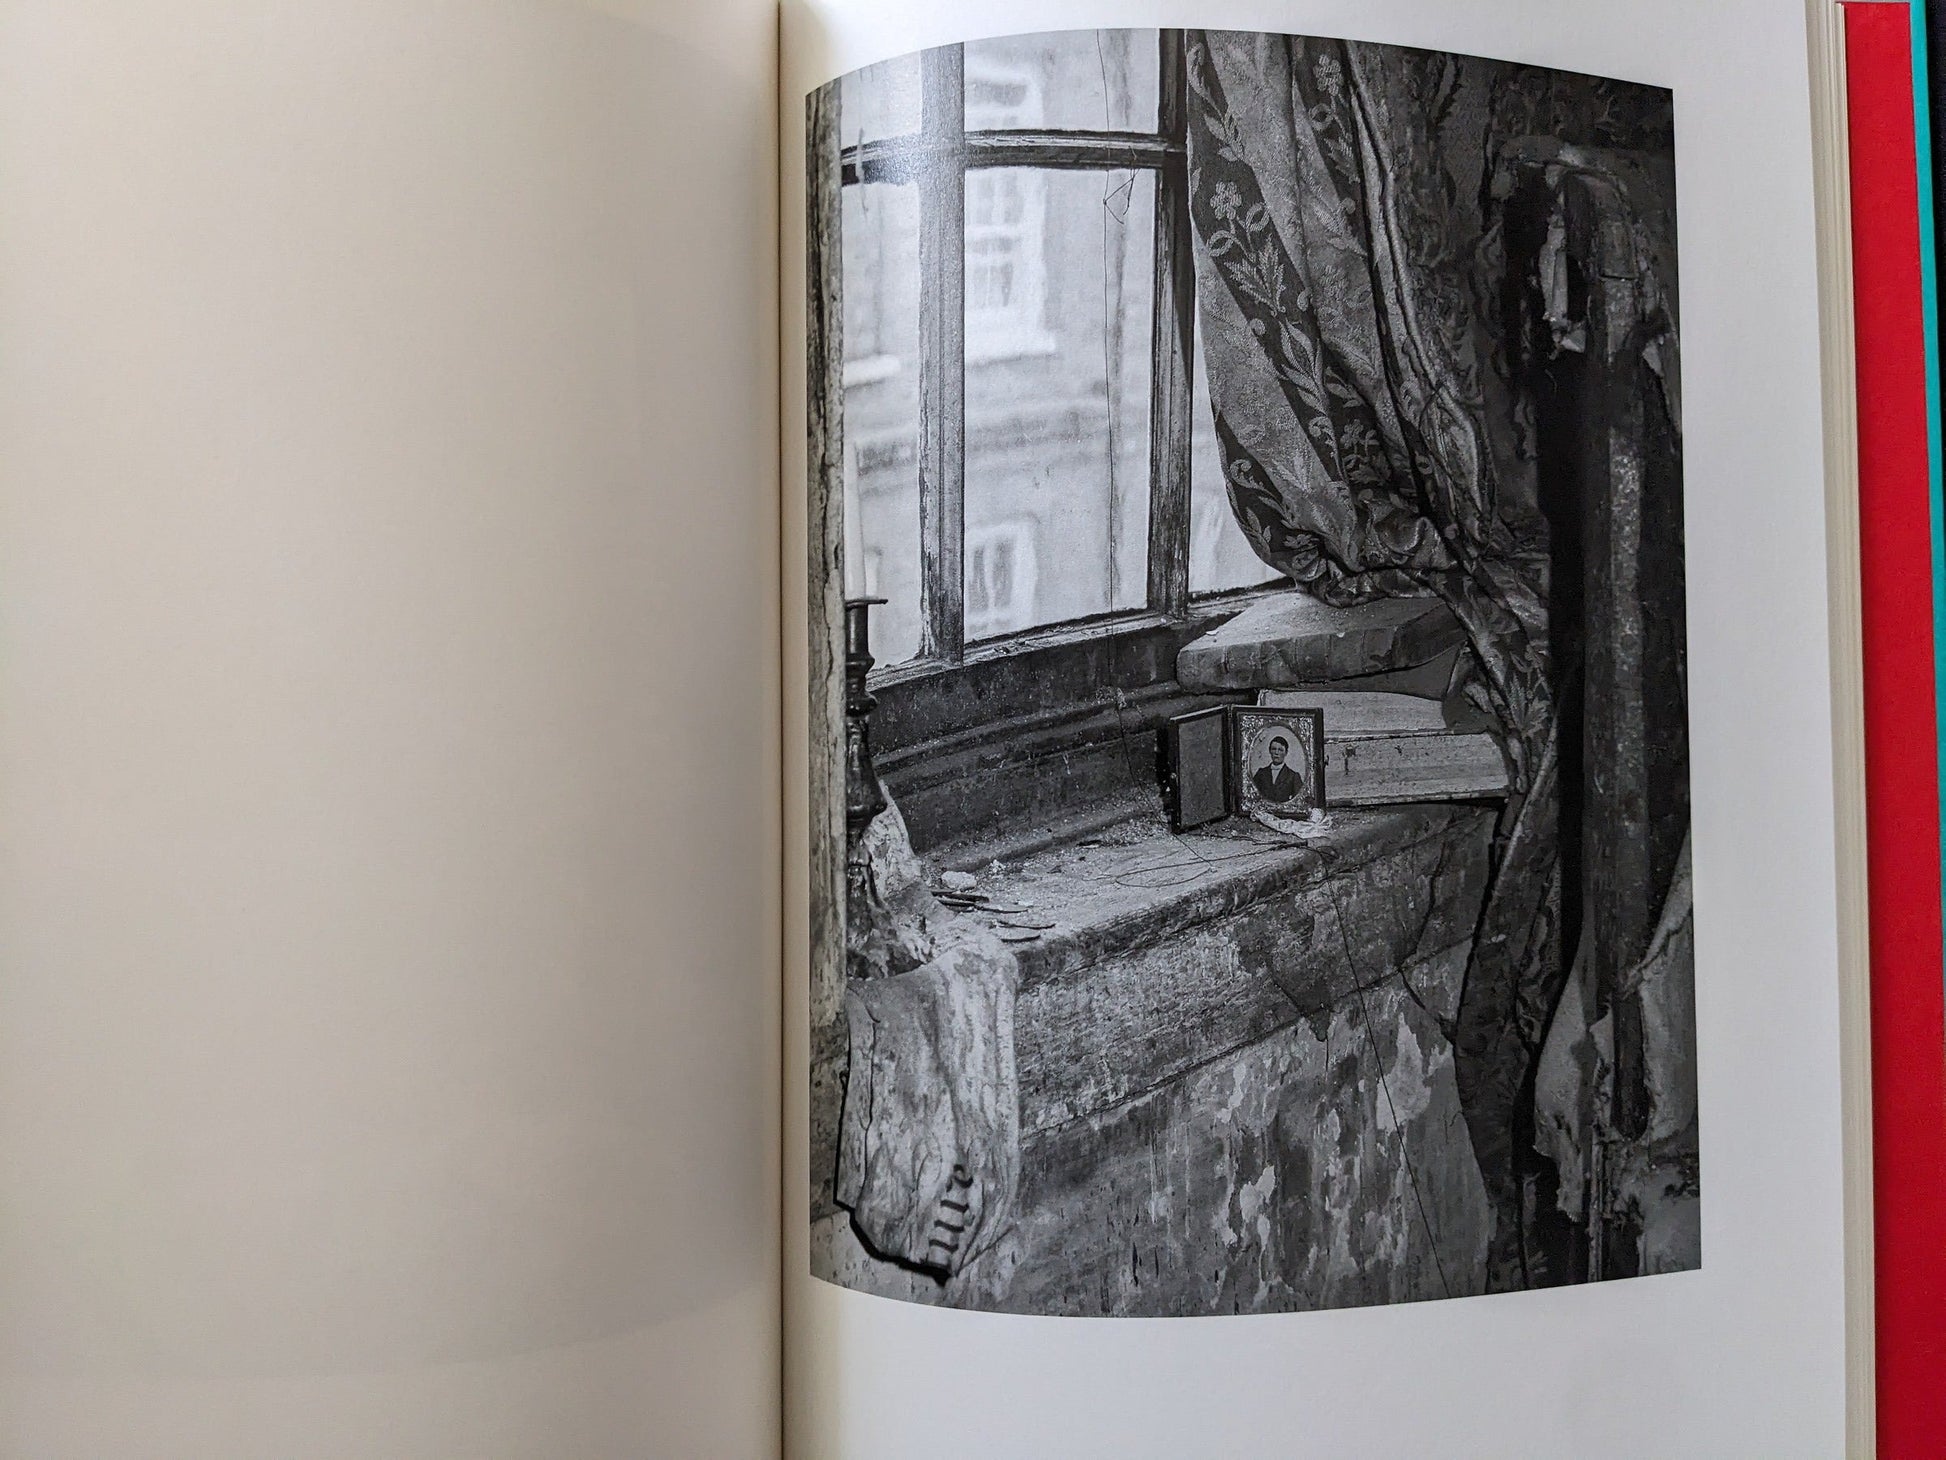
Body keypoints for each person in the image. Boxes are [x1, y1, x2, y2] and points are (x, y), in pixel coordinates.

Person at [1252, 733, 1302, 804]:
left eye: (1280, 750)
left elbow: (1298, 801)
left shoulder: (1293, 776)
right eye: (1274, 749)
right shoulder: (1261, 773)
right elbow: (1252, 794)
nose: (1276, 753)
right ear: (1269, 751)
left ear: (1286, 752)